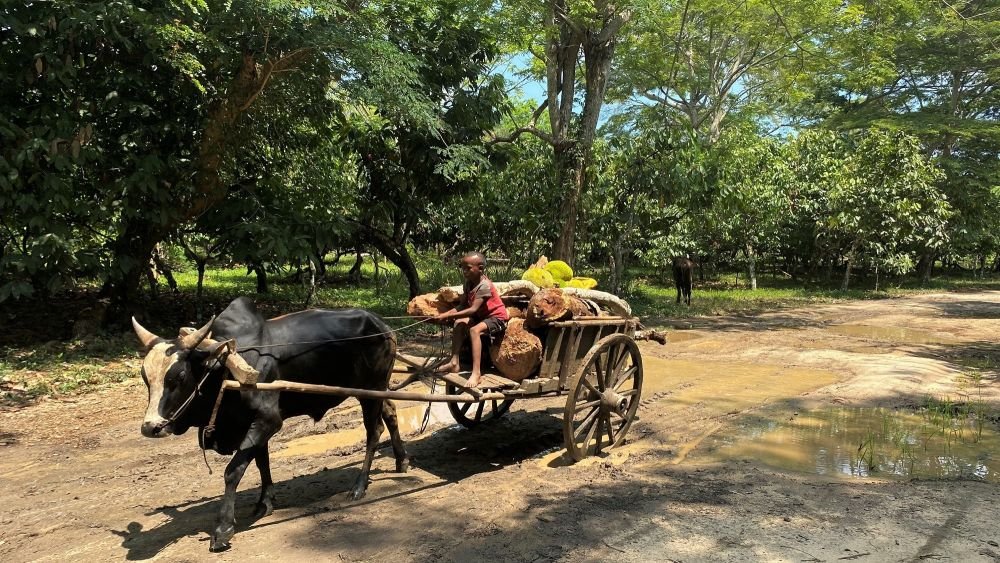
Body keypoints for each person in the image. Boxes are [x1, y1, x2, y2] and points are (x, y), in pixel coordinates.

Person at [435, 252, 509, 387]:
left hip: (496, 318)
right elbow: (462, 305)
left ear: (480, 268)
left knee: (475, 331)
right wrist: (445, 314)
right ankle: (454, 362)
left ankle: (476, 373)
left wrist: (447, 316)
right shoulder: (469, 284)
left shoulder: (484, 286)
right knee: (459, 323)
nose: (464, 271)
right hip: (482, 317)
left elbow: (472, 309)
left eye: (468, 268)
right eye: (462, 268)